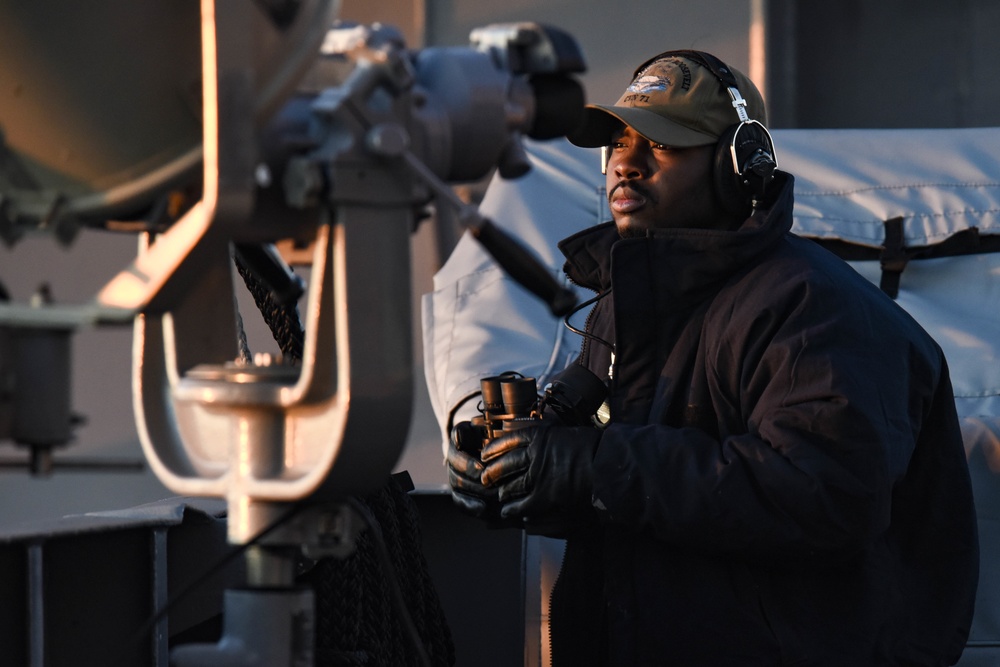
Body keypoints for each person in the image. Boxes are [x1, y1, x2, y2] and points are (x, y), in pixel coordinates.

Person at [444, 50, 979, 666]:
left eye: (662, 145)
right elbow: (608, 468)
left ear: (739, 167)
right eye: (618, 142)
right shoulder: (629, 302)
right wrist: (512, 474)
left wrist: (592, 466)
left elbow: (821, 494)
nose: (626, 163)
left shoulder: (813, 309)